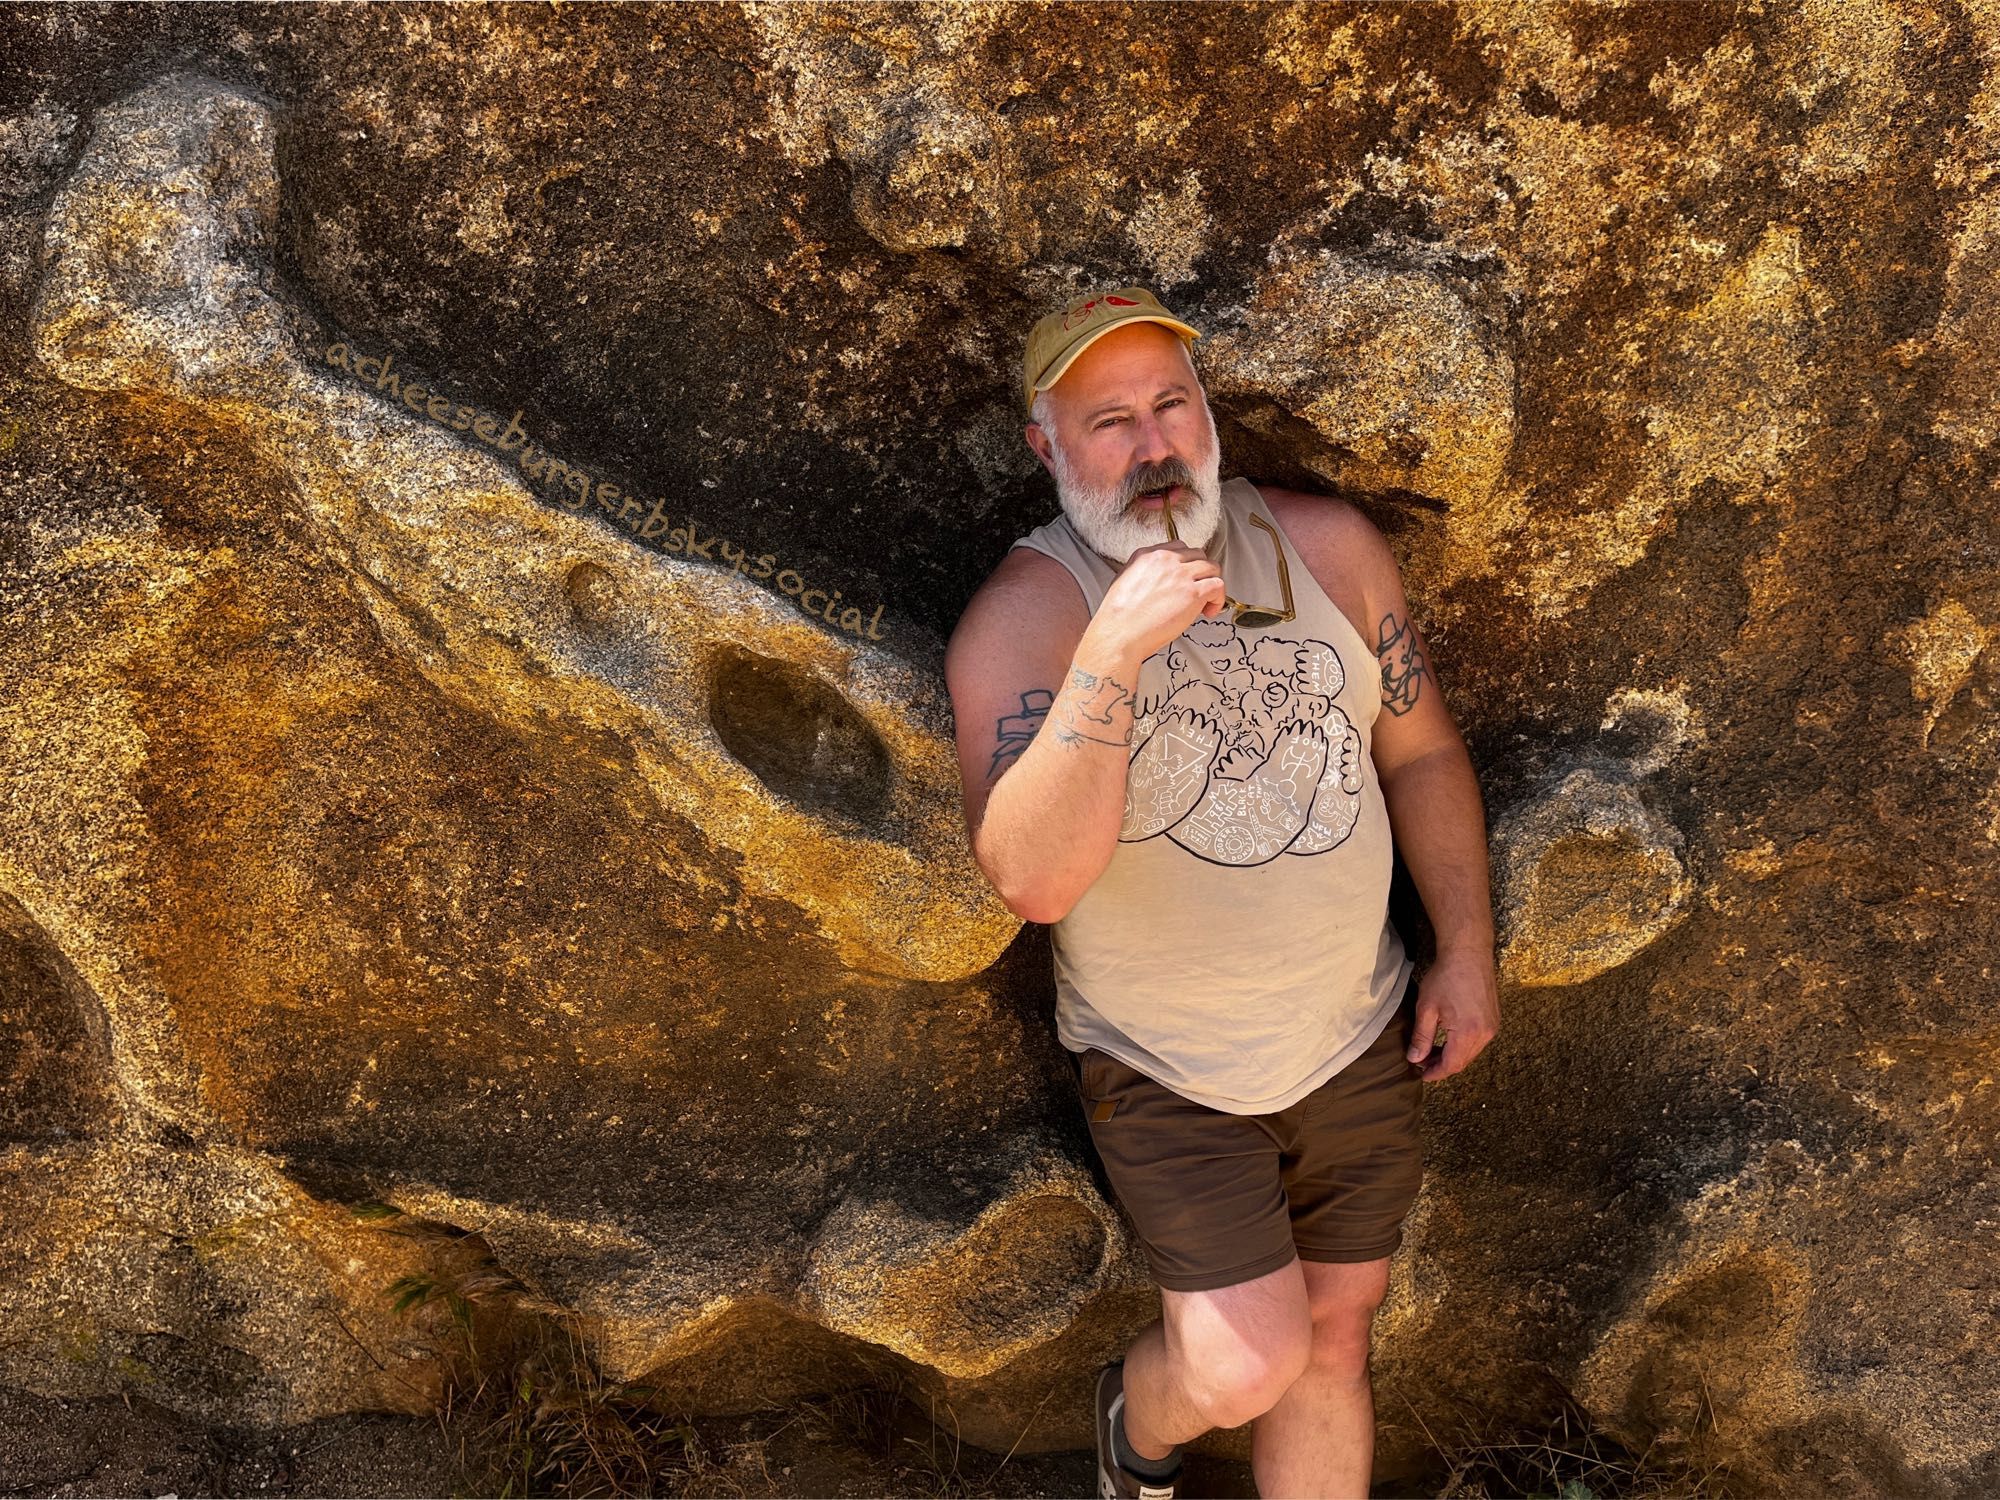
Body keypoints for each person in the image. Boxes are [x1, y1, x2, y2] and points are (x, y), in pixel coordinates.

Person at [943, 284, 1500, 1500]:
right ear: (1045, 449)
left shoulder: (1327, 551)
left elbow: (1422, 755)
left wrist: (1463, 948)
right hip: (1165, 1063)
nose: (1152, 447)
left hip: (1353, 1029)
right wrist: (1112, 655)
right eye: (1108, 421)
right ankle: (1133, 1434)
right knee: (1246, 1363)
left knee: (1336, 1338)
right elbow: (1031, 880)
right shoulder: (1030, 617)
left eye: (1170, 404)